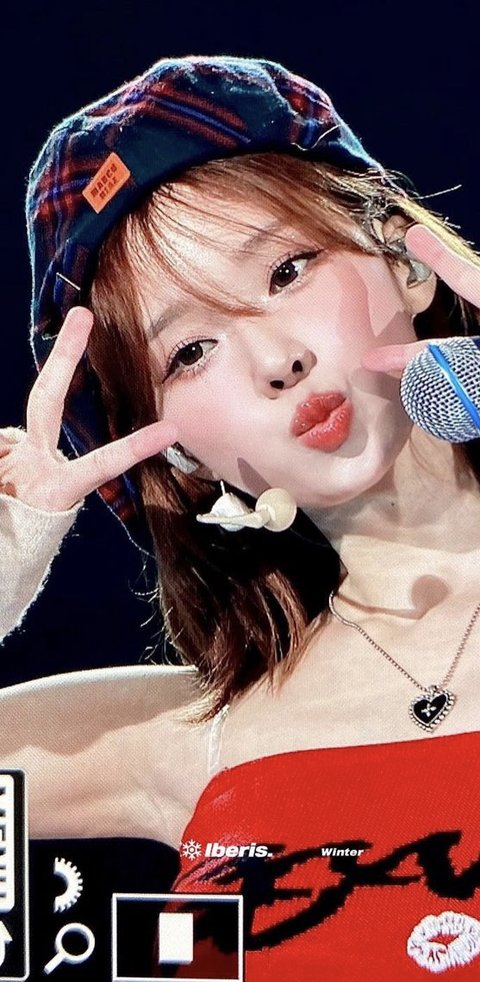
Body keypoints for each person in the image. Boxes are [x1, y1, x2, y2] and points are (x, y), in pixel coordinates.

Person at [1, 54, 480, 979]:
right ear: (174, 451)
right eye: (191, 351)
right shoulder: (185, 736)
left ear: (405, 260)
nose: (274, 360)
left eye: (288, 269)